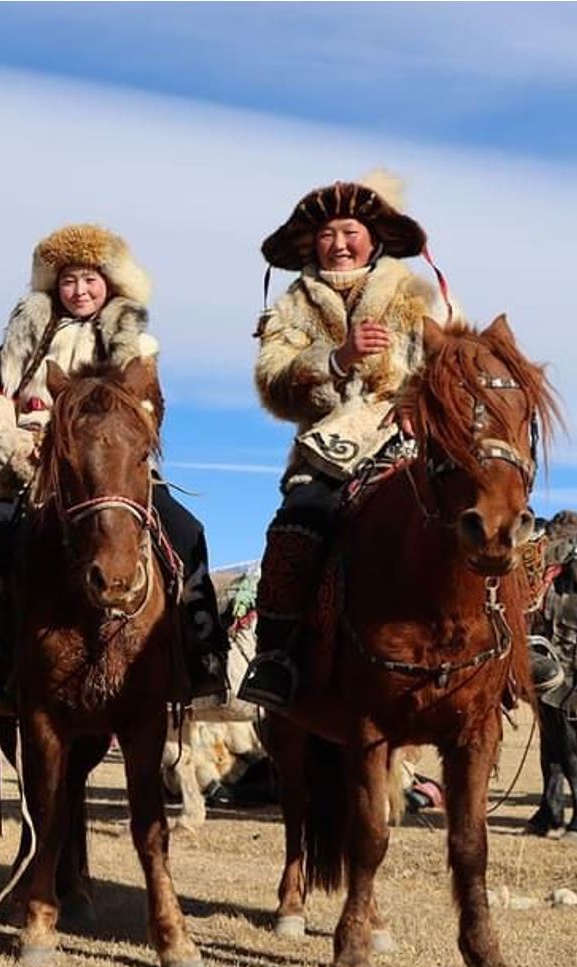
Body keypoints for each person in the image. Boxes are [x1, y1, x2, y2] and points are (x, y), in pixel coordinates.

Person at [0, 223, 229, 709]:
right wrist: (19, 449)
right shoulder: (19, 344)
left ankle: (202, 651)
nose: (80, 290)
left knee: (185, 530)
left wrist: (105, 443)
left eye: (90, 279)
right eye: (69, 280)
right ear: (53, 286)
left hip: (114, 469)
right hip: (24, 465)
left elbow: (149, 409)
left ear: (109, 283)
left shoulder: (138, 348)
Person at [237, 172, 456, 710]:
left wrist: (415, 401)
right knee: (296, 523)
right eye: (327, 234)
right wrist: (338, 359)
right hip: (328, 448)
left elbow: (454, 364)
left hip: (411, 440)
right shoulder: (291, 306)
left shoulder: (417, 295)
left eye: (349, 232)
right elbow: (273, 384)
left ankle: (515, 643)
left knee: (483, 508)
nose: (338, 244)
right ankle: (276, 656)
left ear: (374, 238)